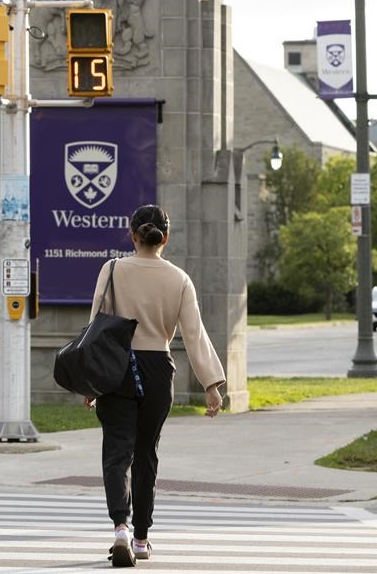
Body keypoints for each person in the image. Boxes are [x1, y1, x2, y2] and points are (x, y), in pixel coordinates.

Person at [86, 204, 225, 568]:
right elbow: (194, 334)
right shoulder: (179, 278)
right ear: (165, 237)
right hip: (157, 369)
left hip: (116, 366)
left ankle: (120, 527)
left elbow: (95, 328)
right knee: (147, 452)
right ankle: (142, 539)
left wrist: (91, 380)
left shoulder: (112, 269)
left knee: (117, 452)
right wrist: (211, 382)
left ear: (132, 235)